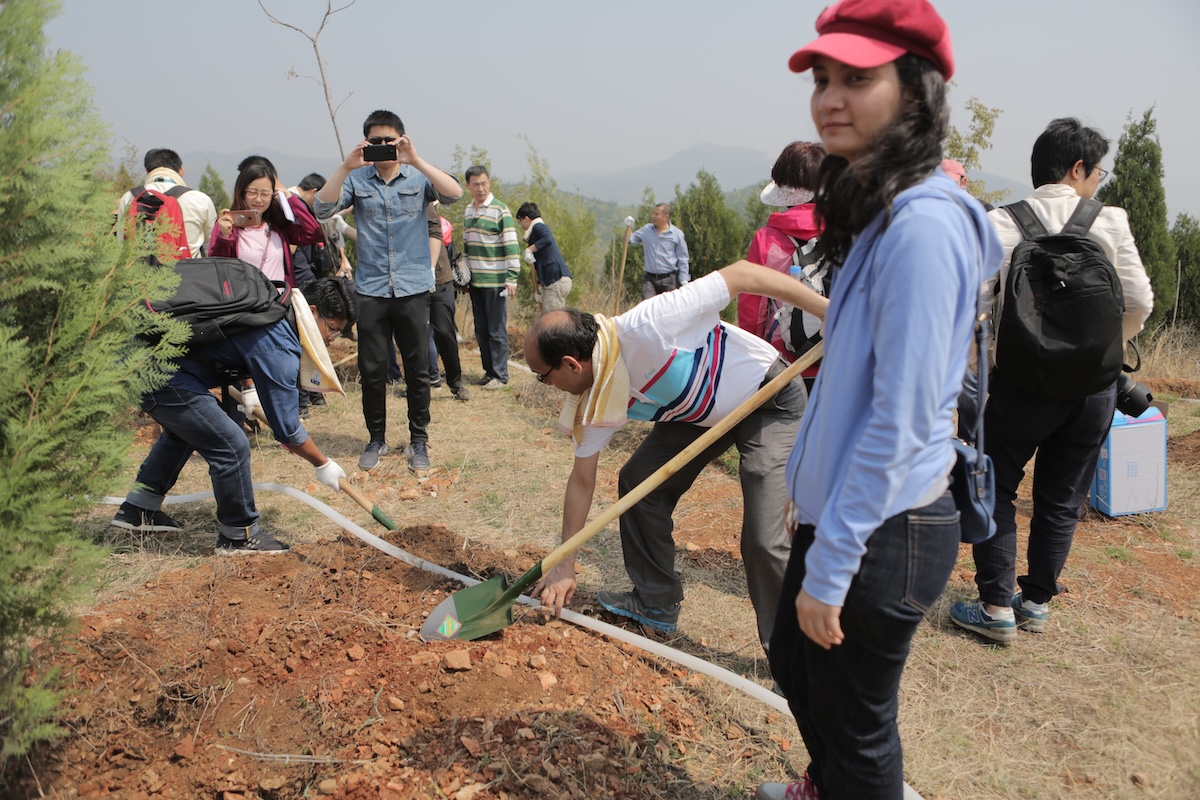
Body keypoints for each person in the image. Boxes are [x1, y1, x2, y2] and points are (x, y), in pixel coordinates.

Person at [758, 2, 1003, 798]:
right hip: (852, 517)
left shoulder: (925, 228)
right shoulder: (883, 212)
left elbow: (902, 419)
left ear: (916, 92)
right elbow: (855, 383)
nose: (829, 97)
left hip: (885, 531)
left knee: (858, 728)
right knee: (801, 672)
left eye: (856, 78)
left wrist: (831, 563)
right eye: (822, 78)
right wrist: (810, 494)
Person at [527, 262, 827, 651]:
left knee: (765, 538)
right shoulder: (599, 388)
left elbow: (742, 274)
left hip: (766, 397)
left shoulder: (649, 325)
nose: (547, 385)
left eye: (543, 375)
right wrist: (564, 563)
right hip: (697, 414)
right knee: (639, 481)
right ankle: (656, 602)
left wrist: (826, 310)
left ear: (570, 363)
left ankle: (796, 656)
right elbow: (582, 478)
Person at [950, 118, 1154, 644]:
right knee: (1061, 498)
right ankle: (1035, 602)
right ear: (1077, 167)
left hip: (1021, 386)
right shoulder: (1109, 221)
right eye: (1097, 172)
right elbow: (1140, 302)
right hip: (1093, 391)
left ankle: (995, 607)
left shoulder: (1001, 222)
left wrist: (984, 362)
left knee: (995, 489)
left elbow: (970, 302)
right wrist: (1101, 352)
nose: (1098, 183)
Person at [110, 277, 357, 553]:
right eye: (332, 329)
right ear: (312, 312)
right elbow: (287, 429)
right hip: (158, 373)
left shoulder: (273, 307)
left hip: (146, 360)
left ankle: (138, 510)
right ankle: (238, 536)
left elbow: (240, 343)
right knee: (231, 444)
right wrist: (322, 464)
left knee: (186, 432)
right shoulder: (281, 341)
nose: (331, 340)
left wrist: (250, 388)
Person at [314, 110, 463, 472]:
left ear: (402, 140)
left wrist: (415, 159)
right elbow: (321, 208)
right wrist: (345, 167)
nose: (383, 147)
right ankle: (376, 439)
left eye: (390, 140)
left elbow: (454, 193)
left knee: (417, 368)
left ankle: (418, 441)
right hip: (372, 289)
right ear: (366, 144)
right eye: (376, 141)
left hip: (412, 287)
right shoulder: (358, 180)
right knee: (373, 368)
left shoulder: (417, 175)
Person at [737, 141, 827, 390]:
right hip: (843, 362)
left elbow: (753, 310)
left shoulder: (767, 239)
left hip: (785, 366)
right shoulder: (851, 232)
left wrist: (753, 356)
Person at [208, 156, 323, 289]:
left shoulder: (278, 226)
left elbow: (313, 232)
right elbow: (216, 266)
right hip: (245, 304)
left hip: (278, 304)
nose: (258, 199)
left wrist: (291, 200)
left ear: (273, 194)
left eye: (264, 194)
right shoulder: (228, 225)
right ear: (241, 192)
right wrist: (224, 238)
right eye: (252, 192)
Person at [463, 166, 521, 389]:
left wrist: (512, 277)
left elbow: (511, 245)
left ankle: (500, 375)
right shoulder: (469, 211)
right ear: (468, 186)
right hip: (475, 280)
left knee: (496, 329)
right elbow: (467, 245)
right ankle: (489, 371)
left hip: (496, 281)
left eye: (484, 183)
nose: (481, 188)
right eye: (476, 184)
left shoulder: (500, 210)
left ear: (490, 183)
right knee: (481, 329)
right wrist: (466, 276)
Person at [116, 148, 217, 259]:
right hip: (189, 272)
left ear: (147, 171)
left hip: (138, 273)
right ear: (181, 171)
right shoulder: (199, 199)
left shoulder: (129, 197)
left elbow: (121, 241)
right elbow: (211, 244)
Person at [426, 202, 470, 400]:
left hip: (440, 277)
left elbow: (439, 231)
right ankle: (421, 381)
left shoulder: (426, 204)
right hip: (410, 280)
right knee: (414, 333)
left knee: (445, 332)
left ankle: (456, 382)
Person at [516, 202, 573, 312]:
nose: (521, 225)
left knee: (551, 320)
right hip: (551, 281)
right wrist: (540, 286)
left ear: (527, 219)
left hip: (557, 281)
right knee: (546, 317)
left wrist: (530, 249)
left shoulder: (538, 227)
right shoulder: (534, 233)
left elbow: (547, 238)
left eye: (520, 221)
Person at [624, 204, 690, 299]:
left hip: (668, 280)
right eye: (653, 213)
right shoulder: (646, 230)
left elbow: (683, 258)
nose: (653, 216)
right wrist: (628, 227)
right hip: (649, 280)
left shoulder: (677, 234)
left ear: (666, 217)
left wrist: (684, 279)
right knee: (647, 307)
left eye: (656, 214)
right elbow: (629, 240)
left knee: (668, 309)